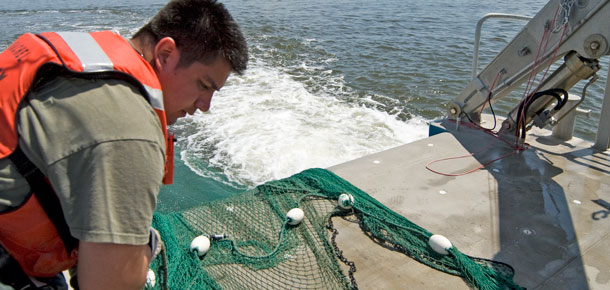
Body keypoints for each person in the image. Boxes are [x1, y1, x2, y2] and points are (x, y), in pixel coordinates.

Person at [0, 0, 248, 289]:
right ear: (165, 54)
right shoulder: (131, 131)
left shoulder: (89, 63)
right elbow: (109, 284)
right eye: (204, 86)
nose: (205, 106)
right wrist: (142, 251)